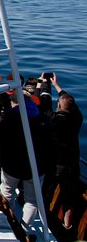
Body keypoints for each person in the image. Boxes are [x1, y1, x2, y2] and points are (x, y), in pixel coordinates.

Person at [0, 92, 51, 231]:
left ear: (14, 102)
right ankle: (25, 230)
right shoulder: (43, 118)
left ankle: (7, 223)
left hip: (12, 163)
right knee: (32, 200)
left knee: (7, 192)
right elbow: (51, 143)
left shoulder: (8, 117)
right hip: (36, 166)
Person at [46, 73, 83, 229]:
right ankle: (67, 224)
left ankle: (44, 220)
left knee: (45, 192)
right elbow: (70, 102)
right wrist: (57, 86)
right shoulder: (77, 119)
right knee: (69, 197)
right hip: (72, 166)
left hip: (56, 165)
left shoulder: (53, 120)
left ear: (59, 106)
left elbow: (44, 105)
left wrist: (46, 86)